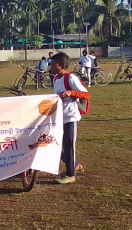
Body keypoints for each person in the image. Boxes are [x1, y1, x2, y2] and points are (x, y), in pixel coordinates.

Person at [51, 52, 89, 184]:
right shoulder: (56, 79)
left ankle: (71, 175)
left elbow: (86, 95)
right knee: (54, 145)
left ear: (61, 66)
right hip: (59, 118)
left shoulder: (70, 78)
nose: (50, 66)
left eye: (53, 64)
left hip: (70, 118)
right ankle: (75, 165)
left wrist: (71, 92)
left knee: (68, 147)